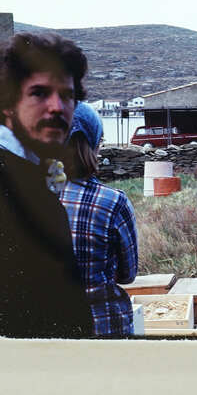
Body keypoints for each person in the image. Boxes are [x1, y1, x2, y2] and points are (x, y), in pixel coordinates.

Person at [0, 32, 93, 338]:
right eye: (39, 93)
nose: (57, 107)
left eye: (67, 95)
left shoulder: (32, 174)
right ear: (8, 103)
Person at [59, 103, 139, 337]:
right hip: (103, 326)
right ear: (93, 144)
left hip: (50, 327)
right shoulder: (113, 202)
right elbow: (128, 275)